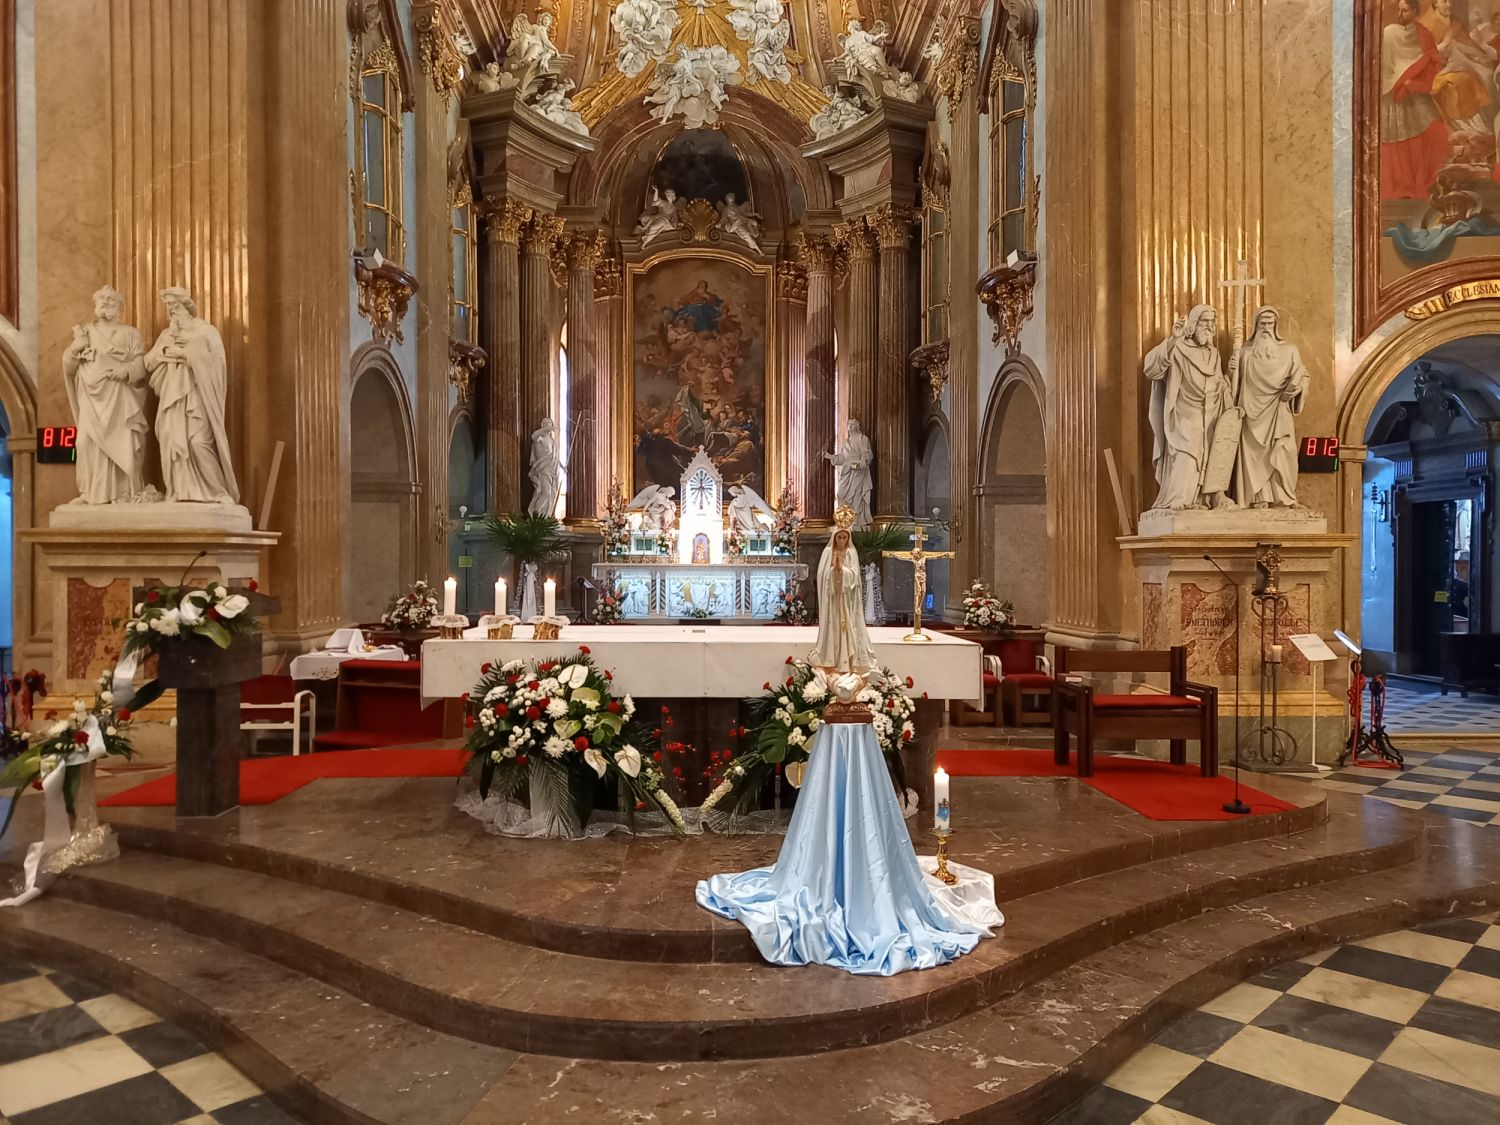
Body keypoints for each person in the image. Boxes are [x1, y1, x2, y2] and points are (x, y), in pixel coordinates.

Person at [145, 287, 240, 504]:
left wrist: (185, 354)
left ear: (187, 306)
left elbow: (217, 364)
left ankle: (218, 492)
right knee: (171, 440)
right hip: (172, 398)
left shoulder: (206, 332)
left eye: (175, 305)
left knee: (198, 443)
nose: (171, 311)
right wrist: (163, 352)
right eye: (168, 307)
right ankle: (178, 491)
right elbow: (148, 362)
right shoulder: (166, 335)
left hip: (198, 396)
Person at [62, 286, 151, 504]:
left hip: (119, 397)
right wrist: (75, 349)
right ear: (95, 305)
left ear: (119, 306)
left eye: (111, 300)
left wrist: (126, 371)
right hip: (91, 398)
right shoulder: (86, 332)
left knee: (124, 444)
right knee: (84, 443)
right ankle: (89, 491)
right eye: (101, 300)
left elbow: (142, 364)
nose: (105, 303)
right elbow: (68, 366)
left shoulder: (130, 334)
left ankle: (124, 492)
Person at [1148, 305, 1234, 511]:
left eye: (1212, 322)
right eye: (1205, 321)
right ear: (1194, 323)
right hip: (1184, 412)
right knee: (1188, 451)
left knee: (1211, 453)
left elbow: (1218, 383)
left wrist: (1229, 376)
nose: (1209, 326)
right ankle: (1179, 497)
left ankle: (1205, 497)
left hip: (1210, 411)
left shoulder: (1213, 353)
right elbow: (1152, 369)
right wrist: (1172, 339)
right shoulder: (1178, 347)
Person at [1233, 307, 1309, 509]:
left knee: (1284, 451)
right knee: (1255, 456)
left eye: (1270, 323)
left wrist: (1296, 388)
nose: (1266, 328)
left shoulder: (1290, 350)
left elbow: (1303, 375)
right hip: (1251, 413)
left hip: (1279, 408)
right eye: (1262, 323)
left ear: (1276, 326)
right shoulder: (1245, 352)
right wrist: (1231, 370)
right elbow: (1234, 385)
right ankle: (1259, 498)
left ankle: (1285, 497)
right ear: (1255, 325)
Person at [1381, 0, 1450, 200]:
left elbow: (1432, 61)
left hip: (1415, 90)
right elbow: (1386, 66)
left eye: (1404, 10)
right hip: (1391, 93)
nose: (1400, 14)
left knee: (1435, 130)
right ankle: (1403, 184)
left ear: (1414, 11)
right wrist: (1399, 81)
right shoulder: (1389, 33)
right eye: (1399, 10)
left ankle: (1427, 181)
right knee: (1397, 141)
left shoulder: (1423, 33)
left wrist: (1415, 81)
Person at [809, 511, 877, 676]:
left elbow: (855, 577)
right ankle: (830, 660)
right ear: (834, 537)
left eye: (844, 537)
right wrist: (834, 571)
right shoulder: (827, 552)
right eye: (839, 537)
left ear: (848, 538)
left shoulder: (851, 553)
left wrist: (842, 570)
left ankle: (848, 661)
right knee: (833, 626)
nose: (841, 541)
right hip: (832, 598)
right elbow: (822, 576)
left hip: (847, 599)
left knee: (848, 627)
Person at [825, 419, 874, 529]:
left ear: (857, 426)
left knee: (856, 495)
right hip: (847, 471)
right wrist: (831, 456)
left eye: (852, 424)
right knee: (840, 494)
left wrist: (864, 459)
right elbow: (843, 458)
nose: (850, 426)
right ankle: (844, 519)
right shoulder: (847, 441)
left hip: (859, 471)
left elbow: (868, 453)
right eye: (849, 425)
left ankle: (856, 520)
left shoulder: (863, 439)